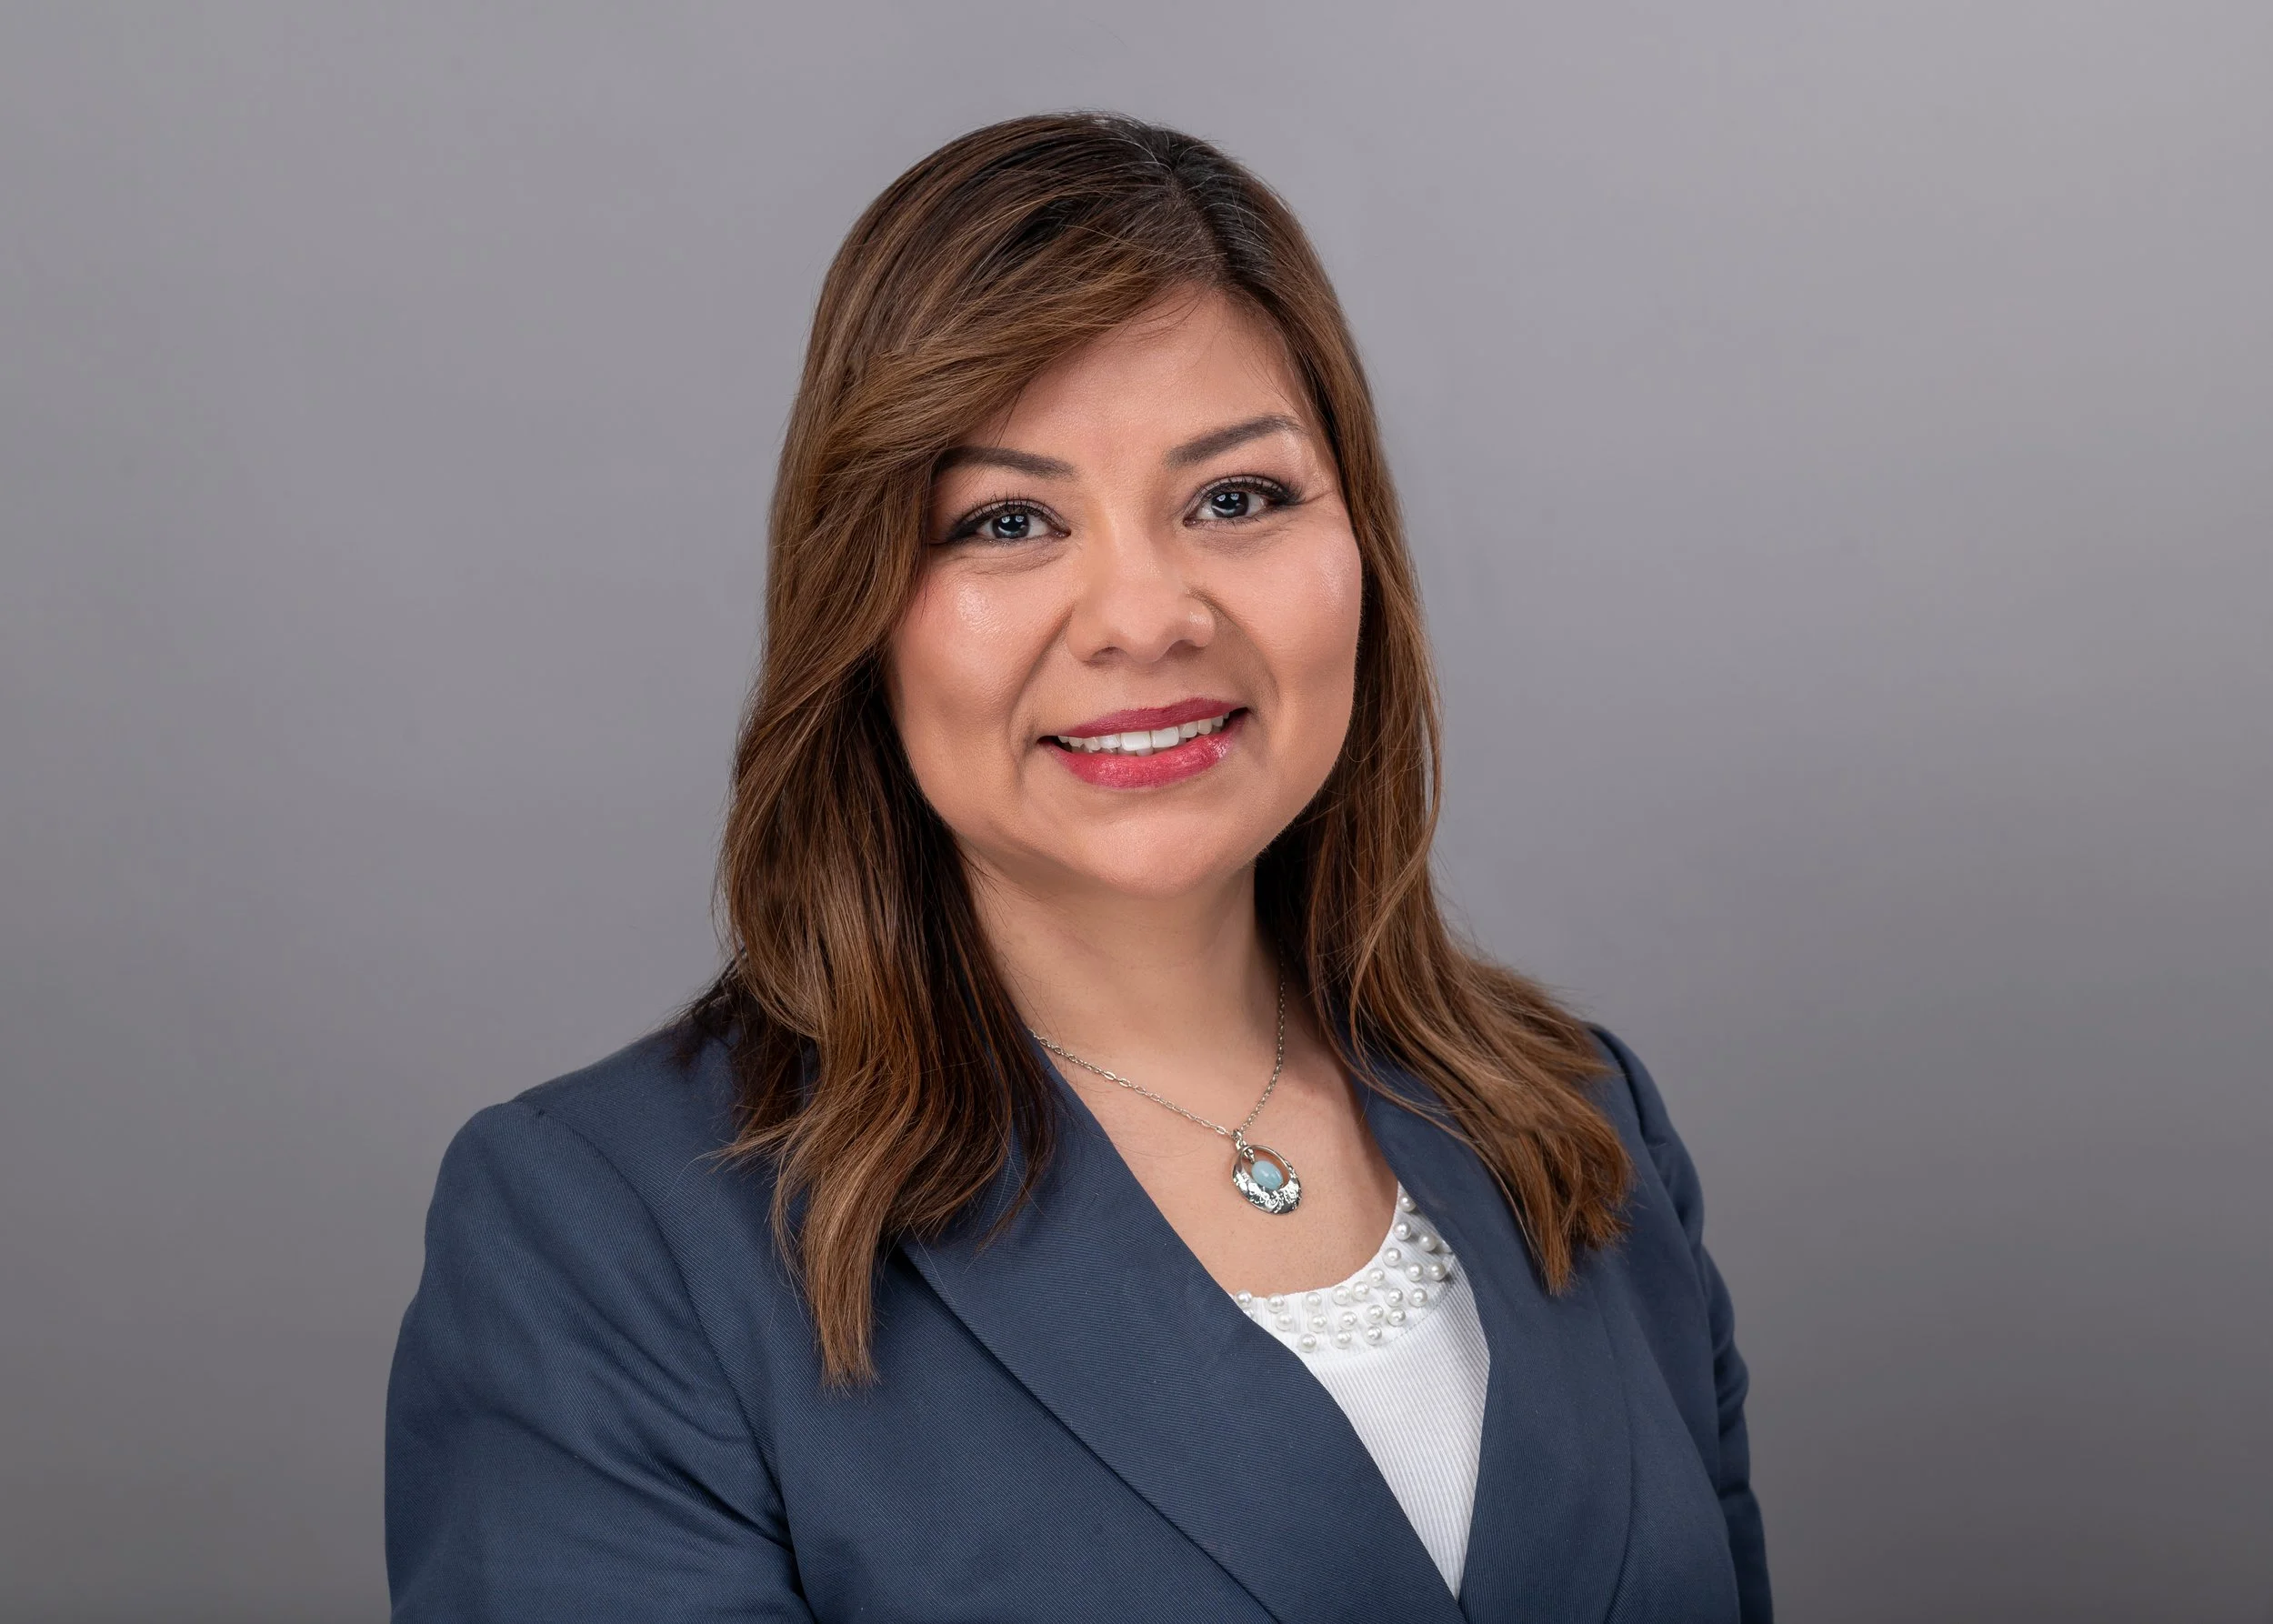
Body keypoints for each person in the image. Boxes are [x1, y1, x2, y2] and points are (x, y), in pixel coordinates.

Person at [385, 111, 1771, 1623]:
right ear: (863, 607)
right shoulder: (611, 1236)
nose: (1144, 612)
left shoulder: (1579, 1120)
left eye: (1236, 497)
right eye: (1009, 520)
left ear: (1359, 545)